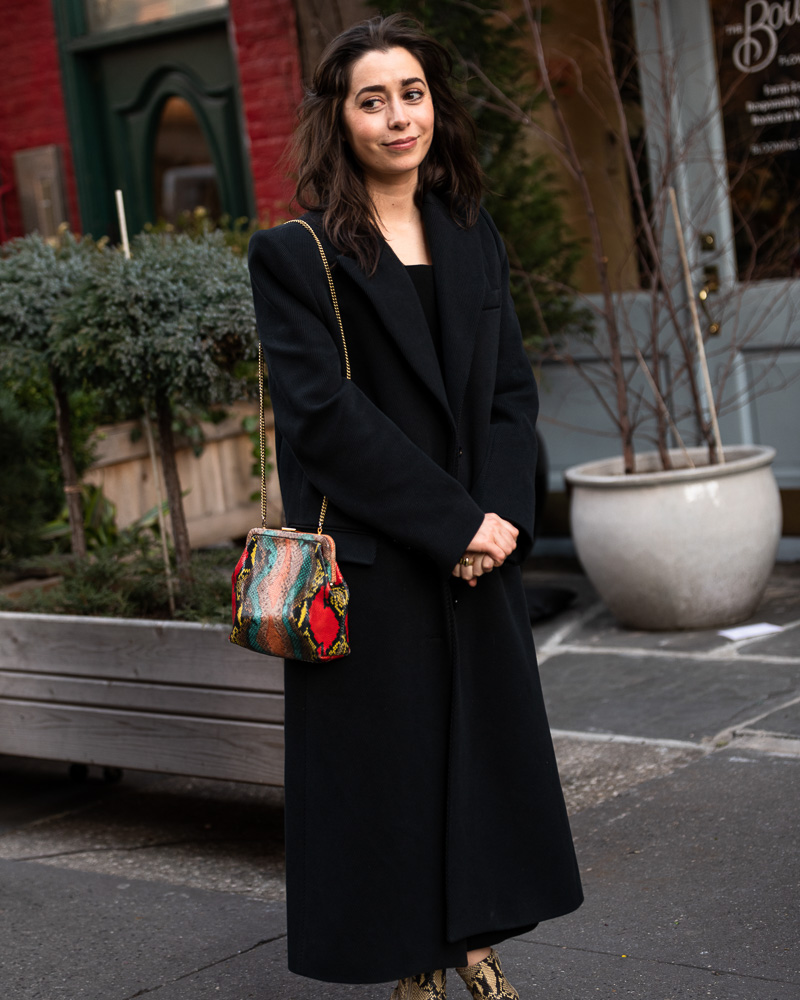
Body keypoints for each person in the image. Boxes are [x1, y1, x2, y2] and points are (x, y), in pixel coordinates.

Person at [247, 14, 583, 999]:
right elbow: (324, 419)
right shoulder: (295, 253)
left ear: (434, 104)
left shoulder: (471, 237)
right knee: (389, 770)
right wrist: (450, 523)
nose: (398, 116)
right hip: (376, 553)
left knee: (478, 758)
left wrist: (501, 519)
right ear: (339, 118)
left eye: (412, 93)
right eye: (371, 98)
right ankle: (411, 962)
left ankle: (475, 946)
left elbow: (510, 393)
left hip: (480, 547)